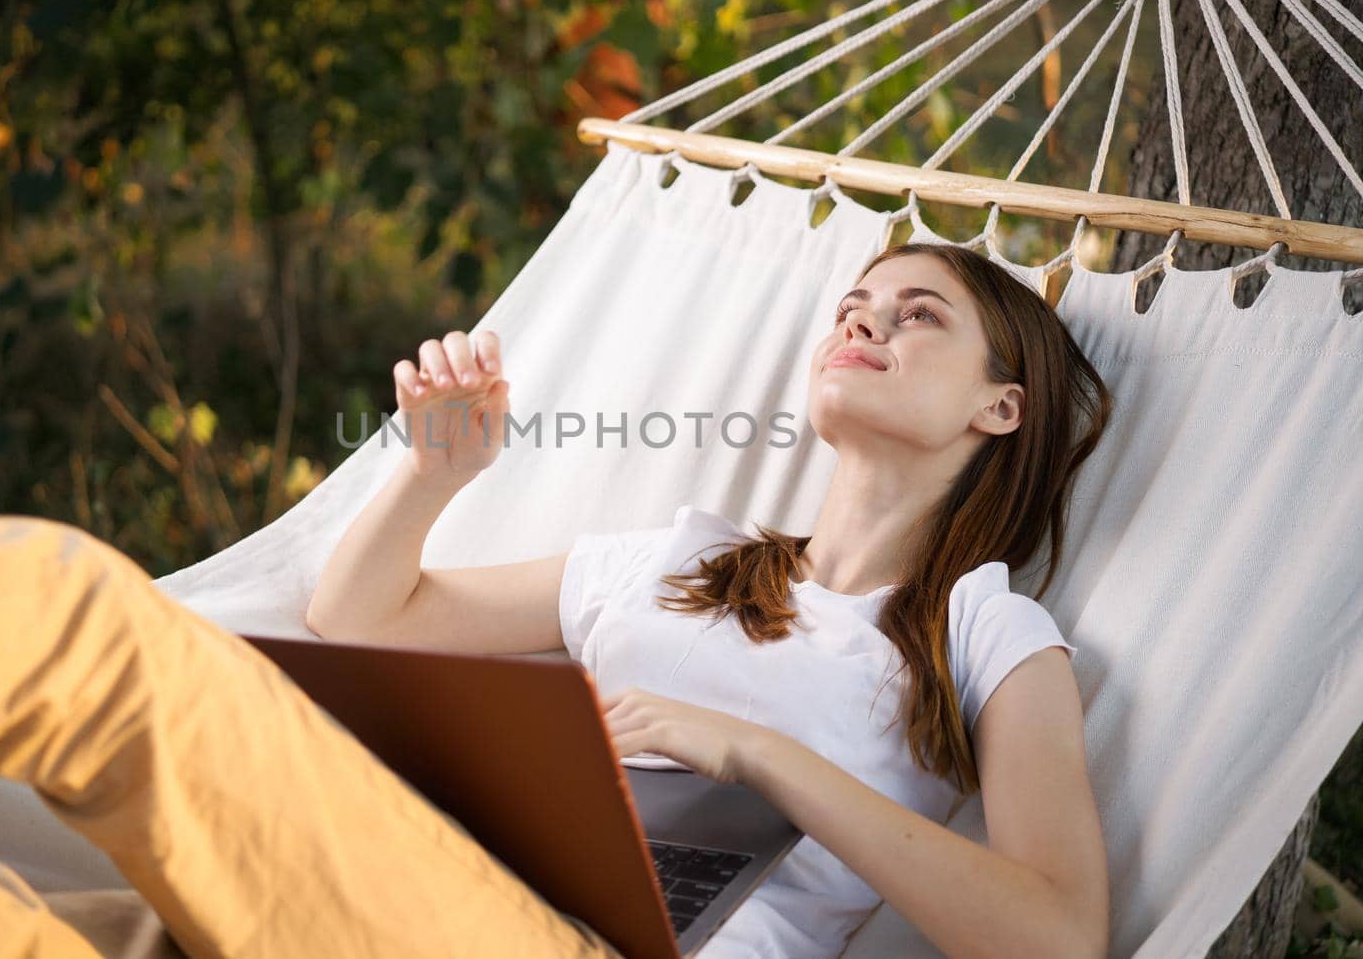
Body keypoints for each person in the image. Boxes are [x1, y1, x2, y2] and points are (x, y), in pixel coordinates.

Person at [307, 241, 1115, 959]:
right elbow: (357, 619)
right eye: (851, 311)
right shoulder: (679, 558)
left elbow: (1057, 938)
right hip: (463, 888)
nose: (863, 327)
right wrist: (433, 474)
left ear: (1000, 405)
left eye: (919, 316)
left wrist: (754, 753)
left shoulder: (985, 629)